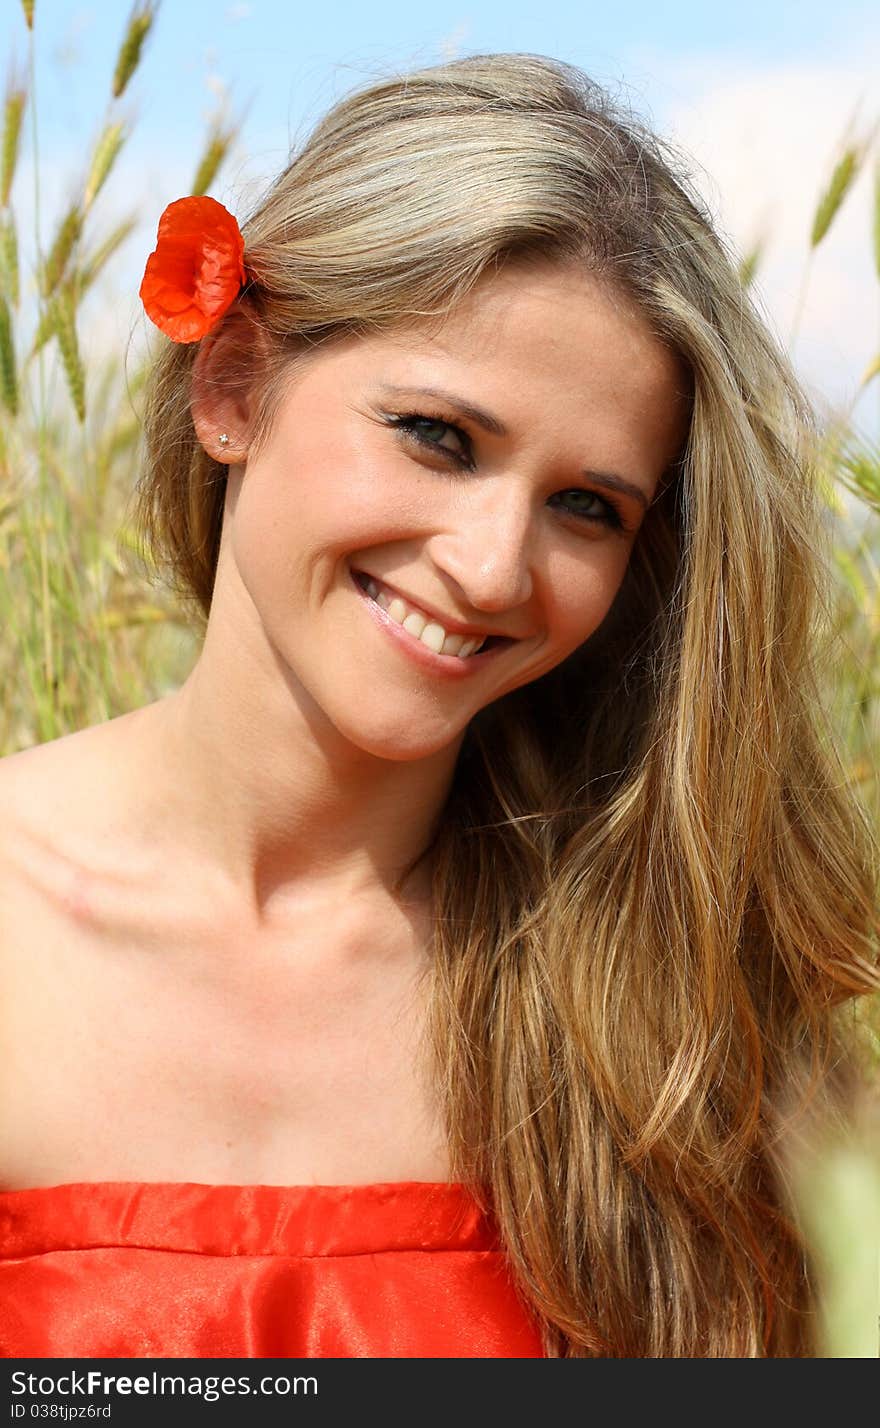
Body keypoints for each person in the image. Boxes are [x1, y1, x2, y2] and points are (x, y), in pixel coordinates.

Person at [0, 51, 877, 1360]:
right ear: (233, 386)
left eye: (589, 507)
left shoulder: (677, 1009)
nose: (490, 565)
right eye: (437, 435)